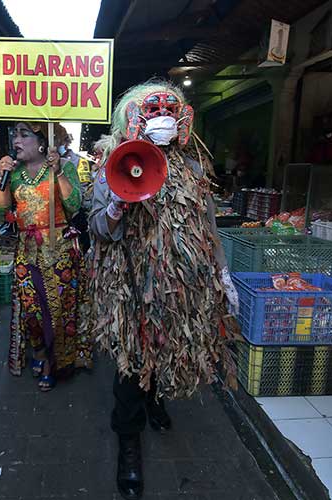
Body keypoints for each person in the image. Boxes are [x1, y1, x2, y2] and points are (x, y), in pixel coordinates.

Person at [85, 81, 240, 500]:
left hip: (177, 287)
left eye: (171, 113)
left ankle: (155, 399)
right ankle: (128, 441)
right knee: (132, 360)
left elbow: (206, 227)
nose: (164, 122)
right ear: (134, 118)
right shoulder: (111, 161)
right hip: (130, 284)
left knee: (166, 345)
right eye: (154, 113)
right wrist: (116, 206)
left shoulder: (191, 167)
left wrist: (221, 274)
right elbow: (97, 227)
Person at [0, 122, 92, 392]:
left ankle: (53, 361)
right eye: (15, 134)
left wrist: (58, 173)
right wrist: (1, 176)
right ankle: (39, 352)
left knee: (57, 311)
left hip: (58, 252)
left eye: (24, 134)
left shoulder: (63, 167)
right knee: (32, 312)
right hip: (27, 252)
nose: (16, 140)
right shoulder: (15, 173)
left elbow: (74, 205)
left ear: (42, 142)